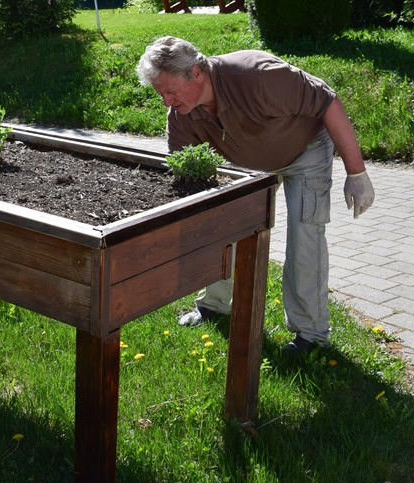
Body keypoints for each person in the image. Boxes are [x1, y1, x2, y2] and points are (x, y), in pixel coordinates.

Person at [136, 36, 374, 352]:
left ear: (195, 73)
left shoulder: (257, 76)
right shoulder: (182, 114)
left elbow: (328, 101)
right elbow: (185, 177)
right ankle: (213, 305)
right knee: (218, 227)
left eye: (170, 91)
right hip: (246, 164)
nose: (166, 101)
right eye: (160, 94)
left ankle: (311, 336)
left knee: (305, 237)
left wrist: (356, 172)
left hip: (305, 151)